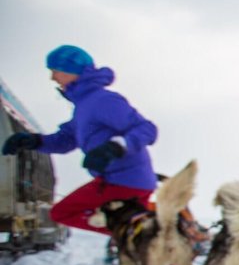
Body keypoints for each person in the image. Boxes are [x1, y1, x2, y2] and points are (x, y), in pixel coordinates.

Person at [3, 45, 160, 236]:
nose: (53, 78)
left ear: (71, 71)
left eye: (55, 71)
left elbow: (147, 129)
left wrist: (115, 147)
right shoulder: (84, 106)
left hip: (126, 180)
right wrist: (33, 141)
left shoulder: (103, 100)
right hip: (116, 180)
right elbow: (65, 140)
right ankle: (136, 232)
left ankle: (136, 232)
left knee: (63, 212)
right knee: (65, 213)